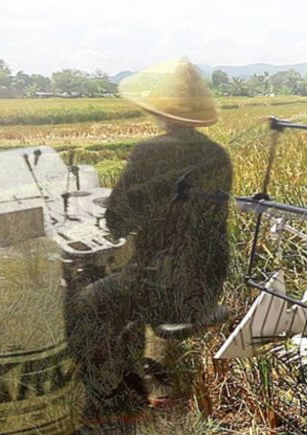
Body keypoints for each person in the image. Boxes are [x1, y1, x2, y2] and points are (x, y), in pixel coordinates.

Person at [67, 57, 232, 412]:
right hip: (206, 283)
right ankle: (136, 379)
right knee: (121, 285)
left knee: (84, 303)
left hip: (164, 287)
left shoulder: (149, 153)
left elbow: (116, 223)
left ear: (159, 109)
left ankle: (103, 399)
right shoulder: (218, 155)